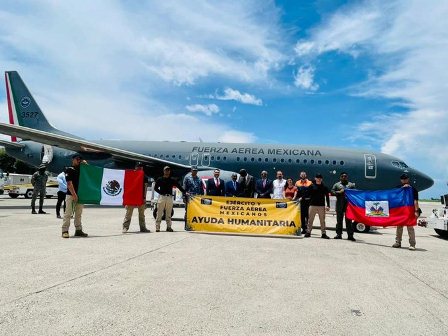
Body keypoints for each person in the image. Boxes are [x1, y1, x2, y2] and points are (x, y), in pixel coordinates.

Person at [62, 154, 88, 238]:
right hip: (71, 194)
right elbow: (69, 183)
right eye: (77, 159)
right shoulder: (69, 169)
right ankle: (65, 230)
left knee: (78, 214)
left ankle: (78, 230)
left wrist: (86, 165)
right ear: (73, 160)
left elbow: (90, 174)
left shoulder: (82, 169)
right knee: (68, 213)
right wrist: (74, 194)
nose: (79, 160)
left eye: (80, 159)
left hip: (80, 194)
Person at [392, 173, 420, 250]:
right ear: (401, 180)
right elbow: (393, 198)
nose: (404, 180)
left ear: (408, 179)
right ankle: (398, 242)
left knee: (410, 228)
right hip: (401, 211)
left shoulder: (413, 189)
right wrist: (402, 189)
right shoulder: (398, 188)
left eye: (405, 179)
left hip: (409, 211)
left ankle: (412, 244)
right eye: (403, 179)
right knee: (399, 227)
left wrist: (416, 210)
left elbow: (415, 201)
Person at [154, 166, 185, 232]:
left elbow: (179, 186)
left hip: (169, 198)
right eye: (166, 170)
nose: (167, 172)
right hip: (162, 197)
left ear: (170, 171)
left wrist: (185, 192)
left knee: (168, 213)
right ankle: (157, 227)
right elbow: (155, 188)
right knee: (159, 213)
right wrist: (161, 192)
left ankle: (169, 227)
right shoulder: (160, 179)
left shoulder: (172, 180)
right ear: (163, 171)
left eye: (168, 170)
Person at [122, 162, 150, 233]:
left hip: (140, 197)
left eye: (141, 167)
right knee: (128, 213)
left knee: (141, 214)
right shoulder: (131, 175)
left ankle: (143, 228)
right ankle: (125, 227)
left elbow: (145, 187)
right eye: (138, 167)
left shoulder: (144, 176)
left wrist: (144, 198)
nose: (140, 168)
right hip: (131, 197)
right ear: (135, 167)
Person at [331, 172, 356, 241]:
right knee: (339, 220)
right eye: (342, 176)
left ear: (347, 177)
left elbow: (355, 193)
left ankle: (350, 235)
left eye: (345, 176)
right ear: (340, 177)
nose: (344, 177)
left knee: (349, 221)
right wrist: (339, 192)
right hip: (339, 204)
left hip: (348, 205)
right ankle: (339, 234)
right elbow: (332, 191)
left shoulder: (351, 185)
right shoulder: (337, 184)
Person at [305, 173, 330, 239]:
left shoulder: (324, 187)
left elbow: (327, 196)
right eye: (317, 178)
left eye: (320, 178)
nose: (318, 179)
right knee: (310, 220)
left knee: (322, 220)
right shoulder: (312, 186)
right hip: (312, 205)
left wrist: (328, 205)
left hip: (321, 206)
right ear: (315, 178)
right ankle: (308, 232)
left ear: (321, 179)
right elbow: (307, 194)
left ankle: (323, 233)